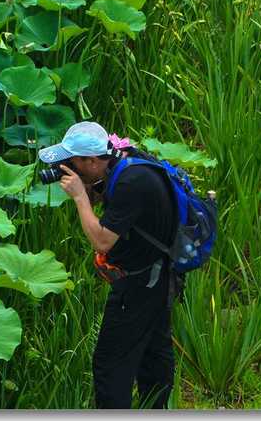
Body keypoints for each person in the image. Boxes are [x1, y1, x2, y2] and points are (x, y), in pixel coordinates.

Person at [38, 121, 178, 409]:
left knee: (109, 364)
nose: (68, 167)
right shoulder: (127, 161)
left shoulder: (131, 183)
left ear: (91, 161)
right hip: (158, 274)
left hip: (141, 283)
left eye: (72, 161)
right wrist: (89, 189)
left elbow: (102, 240)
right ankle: (156, 408)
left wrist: (79, 196)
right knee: (154, 353)